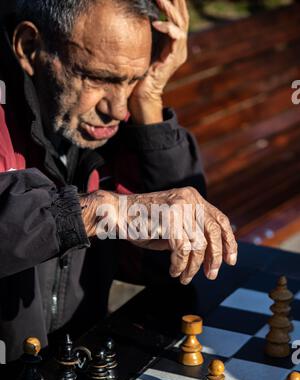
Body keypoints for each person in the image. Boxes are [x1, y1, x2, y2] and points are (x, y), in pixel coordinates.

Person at [0, 0, 237, 361]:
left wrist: (150, 99)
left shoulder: (108, 118)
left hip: (68, 370)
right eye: (99, 77)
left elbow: (170, 267)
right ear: (30, 47)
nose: (118, 108)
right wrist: (102, 210)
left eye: (132, 79)